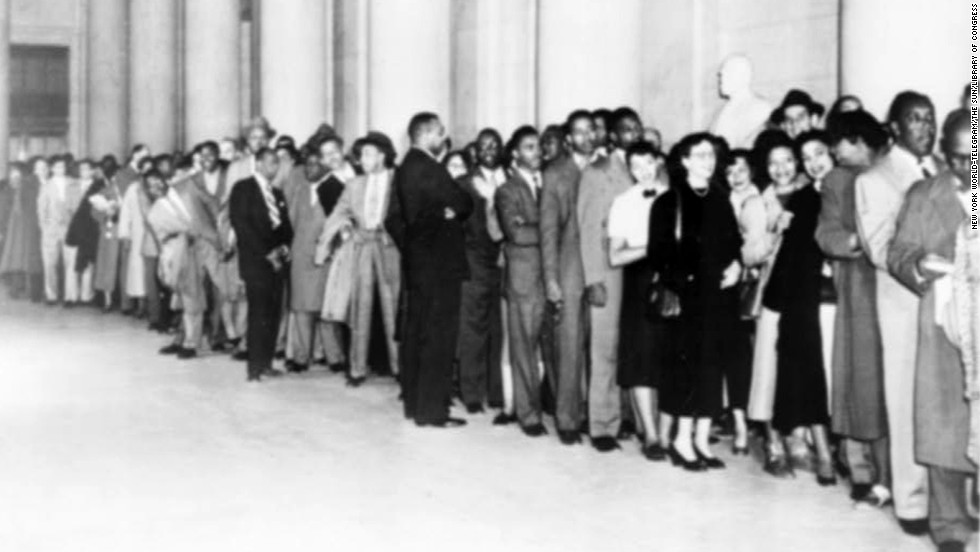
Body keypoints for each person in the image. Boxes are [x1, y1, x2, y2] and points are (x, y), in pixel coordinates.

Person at [855, 91, 943, 536]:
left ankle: (949, 498)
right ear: (894, 128)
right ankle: (911, 502)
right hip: (904, 305)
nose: (924, 127)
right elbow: (879, 248)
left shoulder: (947, 170)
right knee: (906, 400)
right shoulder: (874, 179)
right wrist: (934, 265)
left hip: (948, 305)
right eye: (914, 119)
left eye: (929, 119)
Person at [888, 109, 975, 552]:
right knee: (944, 425)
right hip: (945, 325)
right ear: (944, 151)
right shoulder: (924, 194)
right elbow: (899, 251)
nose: (966, 167)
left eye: (973, 157)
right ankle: (949, 525)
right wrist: (918, 265)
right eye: (958, 158)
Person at [647, 132, 742, 471]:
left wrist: (736, 265)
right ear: (684, 160)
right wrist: (683, 280)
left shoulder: (720, 198)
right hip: (686, 298)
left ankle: (703, 438)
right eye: (699, 155)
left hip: (718, 295)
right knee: (686, 369)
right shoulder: (668, 202)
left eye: (710, 155)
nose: (707, 160)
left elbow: (733, 242)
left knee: (713, 367)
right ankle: (681, 440)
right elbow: (658, 255)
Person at [819, 109, 891, 506]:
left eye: (839, 141)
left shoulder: (894, 171)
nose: (833, 150)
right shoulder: (835, 180)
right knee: (861, 382)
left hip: (901, 288)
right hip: (860, 290)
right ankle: (862, 471)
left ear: (860, 140)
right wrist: (860, 242)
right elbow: (826, 234)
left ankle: (896, 476)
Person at [385, 112, 473, 428]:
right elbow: (464, 203)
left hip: (420, 264)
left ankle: (416, 405)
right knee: (438, 338)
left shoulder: (406, 167)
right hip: (440, 266)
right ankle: (433, 412)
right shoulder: (431, 168)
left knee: (418, 334)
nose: (443, 137)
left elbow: (399, 219)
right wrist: (447, 213)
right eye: (439, 132)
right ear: (426, 134)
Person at [762, 134, 836, 485]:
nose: (813, 161)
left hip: (840, 296)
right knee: (808, 369)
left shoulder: (845, 188)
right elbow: (791, 254)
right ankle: (822, 453)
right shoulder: (804, 198)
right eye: (806, 156)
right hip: (802, 297)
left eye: (819, 153)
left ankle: (830, 450)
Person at [578, 107, 644, 451]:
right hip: (608, 269)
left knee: (630, 346)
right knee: (604, 348)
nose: (635, 134)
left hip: (639, 270)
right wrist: (593, 278)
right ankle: (602, 425)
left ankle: (628, 417)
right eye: (627, 130)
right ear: (614, 136)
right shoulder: (597, 172)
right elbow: (588, 229)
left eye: (638, 128)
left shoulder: (648, 168)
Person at [320, 134, 401, 383]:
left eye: (368, 154)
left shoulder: (398, 182)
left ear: (382, 156)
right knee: (359, 308)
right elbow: (336, 214)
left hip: (389, 247)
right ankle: (357, 369)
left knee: (393, 309)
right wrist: (327, 242)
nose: (362, 160)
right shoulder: (354, 185)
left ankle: (400, 369)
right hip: (363, 245)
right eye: (361, 155)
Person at [608, 141, 671, 460]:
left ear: (658, 162)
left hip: (675, 278)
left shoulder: (675, 196)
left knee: (670, 356)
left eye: (648, 163)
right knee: (642, 357)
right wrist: (652, 247)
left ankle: (670, 431)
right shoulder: (623, 203)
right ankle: (651, 434)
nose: (644, 171)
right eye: (636, 166)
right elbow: (615, 255)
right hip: (640, 279)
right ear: (629, 169)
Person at [540, 110, 598, 445]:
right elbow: (548, 231)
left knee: (600, 341)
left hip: (602, 264)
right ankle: (567, 419)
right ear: (568, 138)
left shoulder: (607, 167)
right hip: (569, 263)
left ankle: (598, 416)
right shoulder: (556, 173)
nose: (586, 137)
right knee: (570, 343)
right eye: (579, 132)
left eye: (591, 130)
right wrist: (551, 278)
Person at [494, 126, 548, 436]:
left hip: (550, 275)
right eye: (529, 147)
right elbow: (517, 234)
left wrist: (532, 226)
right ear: (515, 154)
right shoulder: (508, 190)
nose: (537, 152)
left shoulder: (549, 183)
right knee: (524, 347)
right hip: (523, 279)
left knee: (549, 348)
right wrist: (552, 229)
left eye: (538, 146)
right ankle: (529, 415)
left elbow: (529, 230)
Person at [229, 148, 293, 382]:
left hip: (277, 263)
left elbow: (286, 227)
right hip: (256, 263)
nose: (274, 167)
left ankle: (266, 363)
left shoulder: (277, 193)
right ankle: (254, 368)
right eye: (269, 162)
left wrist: (284, 248)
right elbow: (242, 226)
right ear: (257, 164)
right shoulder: (242, 188)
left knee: (274, 314)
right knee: (258, 314)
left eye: (277, 163)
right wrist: (267, 253)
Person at [457, 128, 506, 414]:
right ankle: (472, 393)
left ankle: (497, 392)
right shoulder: (463, 184)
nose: (489, 149)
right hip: (474, 261)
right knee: (472, 328)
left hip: (504, 262)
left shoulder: (511, 180)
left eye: (494, 145)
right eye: (484, 145)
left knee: (499, 328)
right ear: (475, 151)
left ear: (502, 149)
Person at [287, 141, 347, 376]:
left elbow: (342, 224)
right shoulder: (301, 190)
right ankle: (301, 357)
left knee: (327, 309)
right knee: (301, 308)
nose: (308, 169)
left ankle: (334, 357)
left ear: (325, 166)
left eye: (314, 164)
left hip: (326, 257)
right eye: (306, 165)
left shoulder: (335, 188)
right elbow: (291, 222)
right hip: (301, 258)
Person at [722, 149, 758, 454]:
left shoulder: (763, 200)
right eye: (730, 172)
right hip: (733, 288)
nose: (736, 177)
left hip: (762, 285)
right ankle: (741, 423)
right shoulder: (722, 201)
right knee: (736, 357)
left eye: (741, 171)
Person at [37, 156, 84, 306]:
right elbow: (41, 209)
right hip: (51, 230)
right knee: (49, 263)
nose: (60, 169)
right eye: (57, 167)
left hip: (70, 228)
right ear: (52, 169)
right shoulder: (46, 185)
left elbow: (79, 207)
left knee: (71, 263)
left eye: (62, 167)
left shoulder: (74, 183)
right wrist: (45, 227)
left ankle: (70, 297)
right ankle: (51, 295)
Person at [116, 145, 151, 314]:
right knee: (136, 269)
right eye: (145, 170)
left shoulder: (158, 187)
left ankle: (150, 303)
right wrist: (125, 235)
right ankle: (139, 303)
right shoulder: (133, 188)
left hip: (153, 234)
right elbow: (125, 214)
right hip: (137, 234)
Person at [709, 54, 773, 148]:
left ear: (743, 76)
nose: (721, 78)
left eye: (727, 73)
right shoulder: (721, 110)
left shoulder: (760, 107)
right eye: (721, 75)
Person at [0, 162, 43, 300]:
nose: (15, 177)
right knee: (14, 258)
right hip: (10, 229)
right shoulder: (6, 191)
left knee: (21, 257)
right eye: (12, 174)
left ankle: (22, 287)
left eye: (17, 174)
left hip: (22, 228)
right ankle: (15, 287)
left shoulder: (27, 188)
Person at [64, 160, 102, 306]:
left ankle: (86, 296)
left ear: (93, 170)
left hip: (91, 229)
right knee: (72, 264)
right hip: (74, 228)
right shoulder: (72, 186)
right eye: (81, 169)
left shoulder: (98, 186)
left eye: (87, 169)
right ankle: (71, 297)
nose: (83, 172)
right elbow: (67, 208)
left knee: (88, 264)